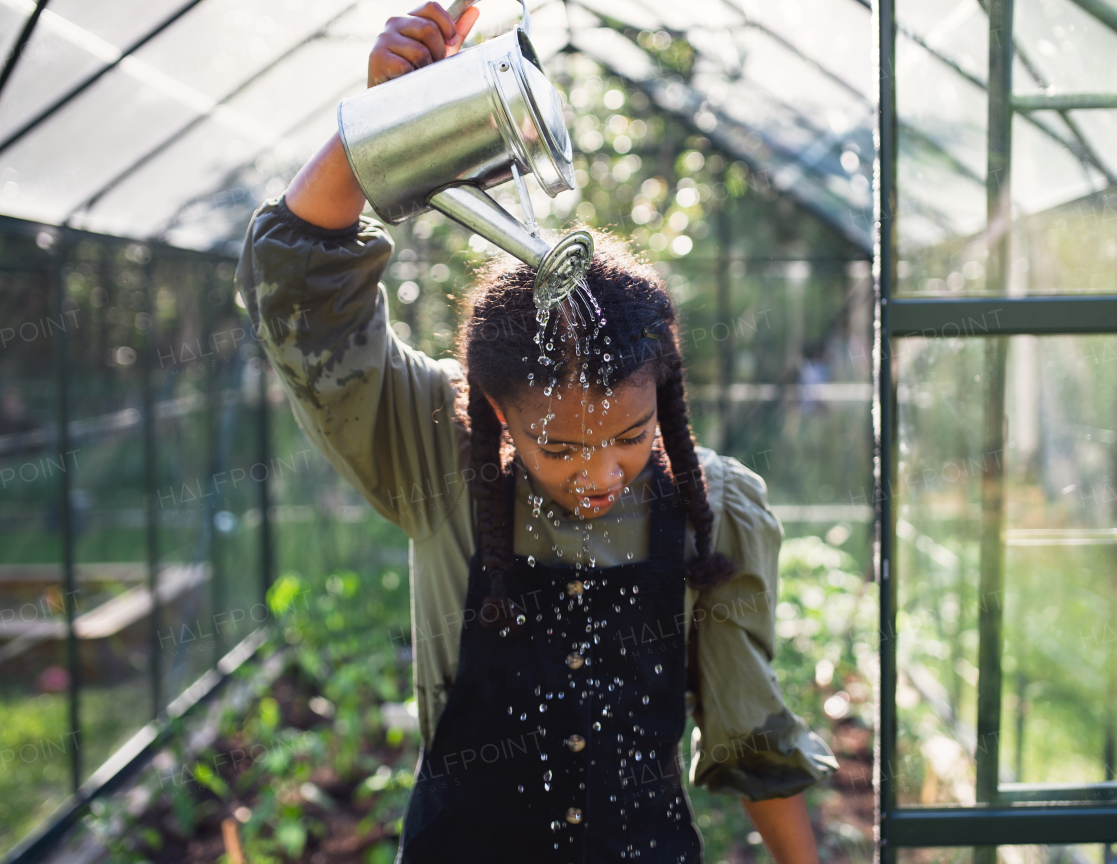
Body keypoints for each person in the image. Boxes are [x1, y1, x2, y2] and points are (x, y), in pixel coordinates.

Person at [236, 4, 836, 862]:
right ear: (495, 412)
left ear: (663, 395)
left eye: (630, 435)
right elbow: (301, 290)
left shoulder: (715, 508)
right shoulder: (435, 446)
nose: (600, 471)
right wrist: (383, 126)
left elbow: (749, 734)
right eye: (557, 446)